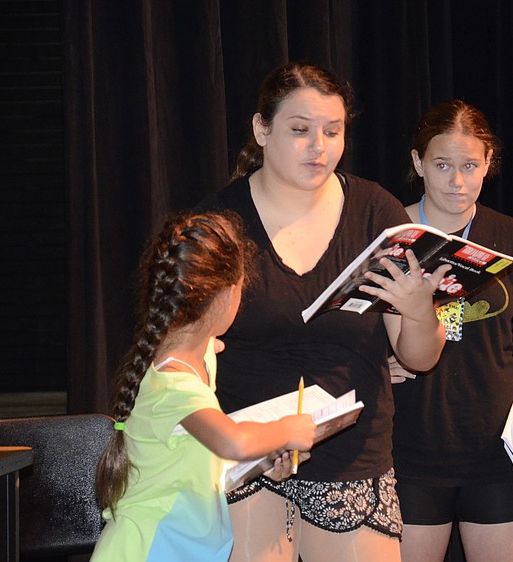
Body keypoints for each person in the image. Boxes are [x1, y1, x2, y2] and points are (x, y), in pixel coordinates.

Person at [195, 62, 451, 562]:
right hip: (249, 453)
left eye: (333, 131)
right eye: (300, 130)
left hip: (352, 455)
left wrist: (419, 310)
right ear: (261, 130)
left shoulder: (375, 211)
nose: (319, 147)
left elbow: (420, 359)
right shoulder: (219, 221)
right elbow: (184, 353)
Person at [389, 99, 513, 562]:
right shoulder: (389, 234)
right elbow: (345, 329)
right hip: (408, 446)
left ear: (488, 163)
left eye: (469, 166)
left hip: (500, 444)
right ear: (418, 162)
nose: (457, 181)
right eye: (442, 165)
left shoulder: (512, 237)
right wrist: (377, 365)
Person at [92, 211, 317, 562]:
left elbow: (200, 461)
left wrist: (265, 460)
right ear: (226, 295)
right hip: (147, 551)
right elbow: (233, 441)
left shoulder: (196, 357)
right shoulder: (174, 385)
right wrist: (288, 430)